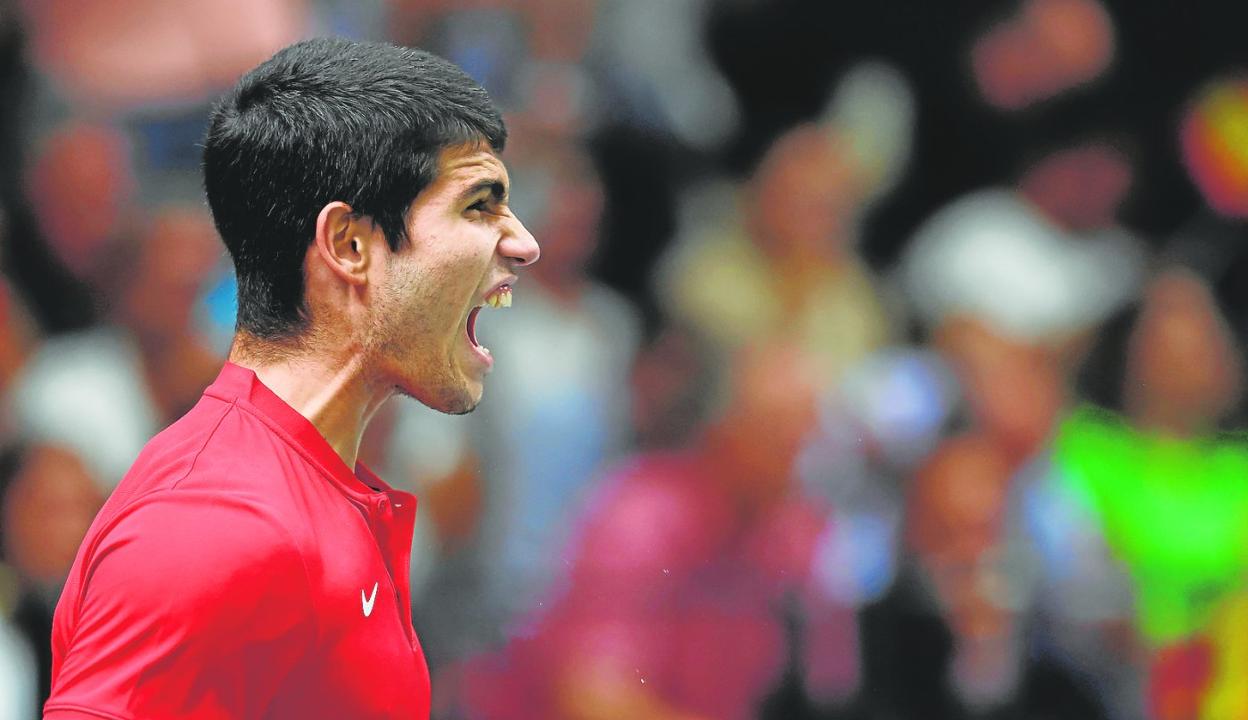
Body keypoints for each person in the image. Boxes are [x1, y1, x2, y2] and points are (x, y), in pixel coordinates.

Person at [43, 36, 539, 720]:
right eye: (478, 205)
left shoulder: (306, 491)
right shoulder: (215, 526)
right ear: (350, 245)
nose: (523, 241)